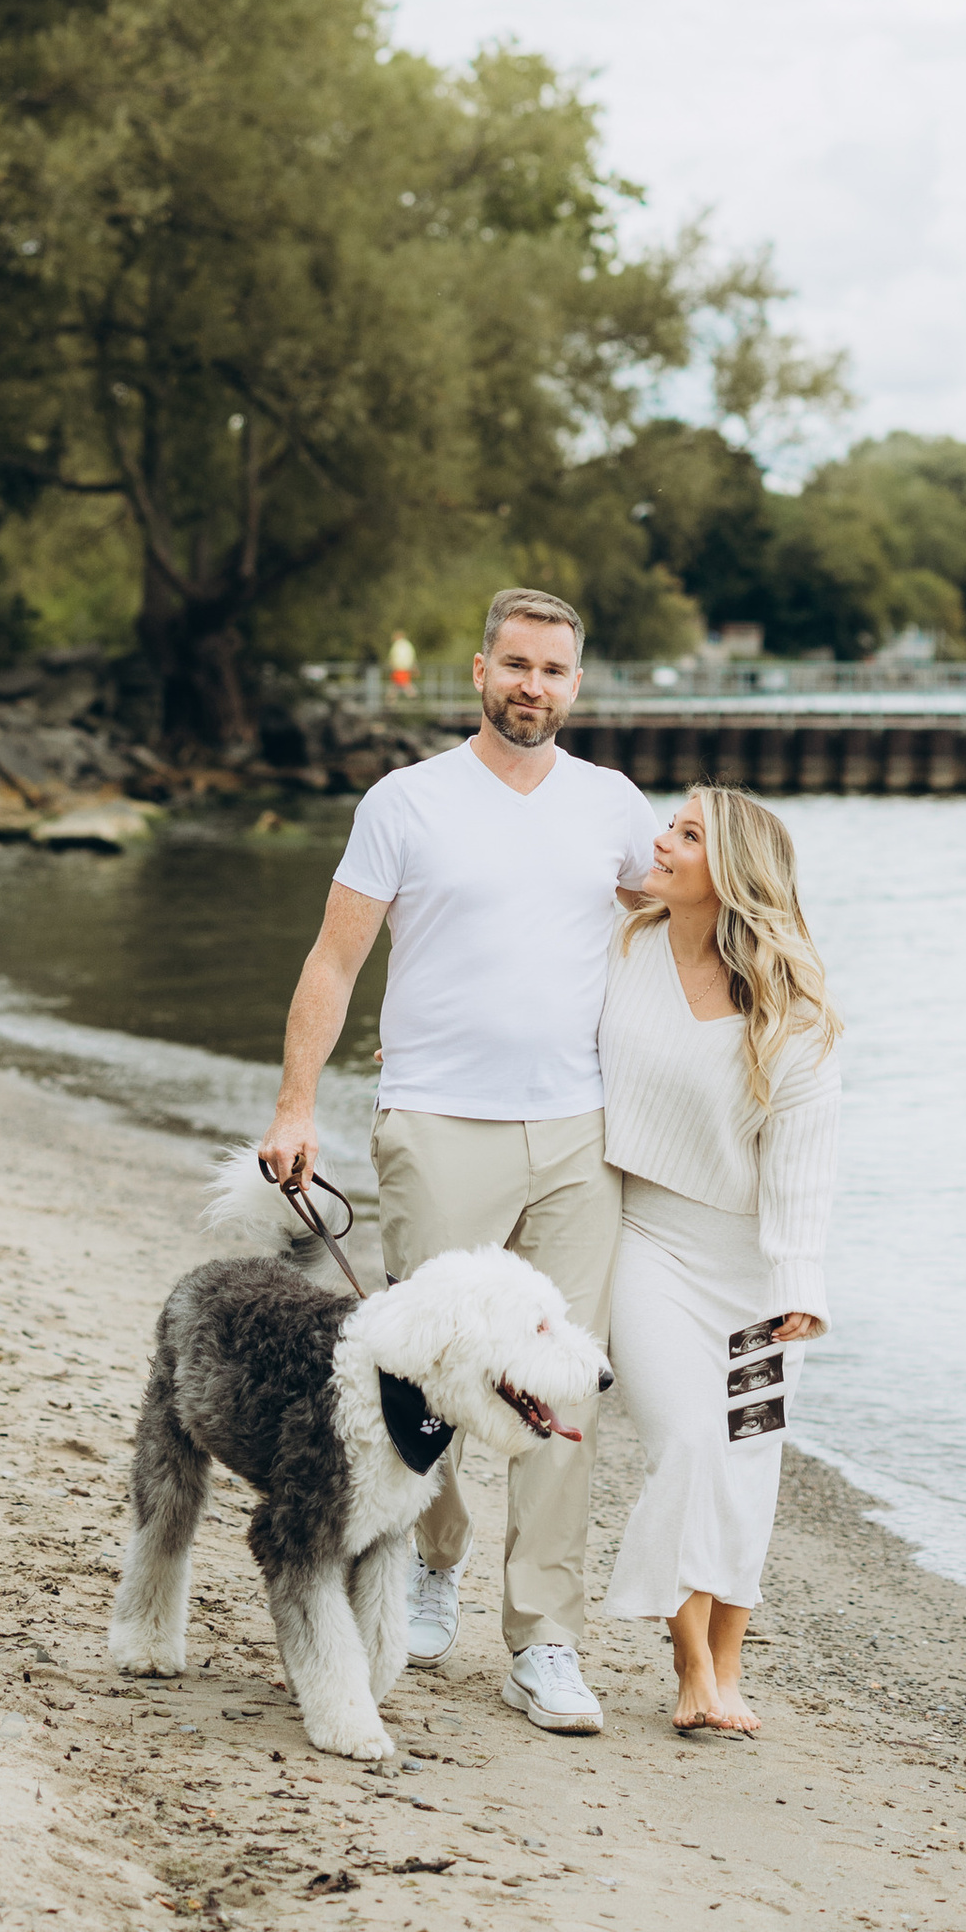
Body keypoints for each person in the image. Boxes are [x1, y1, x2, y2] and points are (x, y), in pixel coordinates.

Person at [258, 588, 654, 1737]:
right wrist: (295, 1106)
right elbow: (334, 961)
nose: (534, 686)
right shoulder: (406, 801)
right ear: (480, 671)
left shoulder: (612, 805)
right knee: (425, 1372)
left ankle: (543, 1640)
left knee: (562, 1381)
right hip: (436, 1124)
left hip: (581, 1132)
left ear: (576, 684)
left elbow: (674, 930)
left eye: (555, 670)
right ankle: (431, 1563)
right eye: (516, 664)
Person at [598, 780, 842, 1736]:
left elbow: (804, 1168)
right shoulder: (622, 947)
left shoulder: (794, 1010)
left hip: (754, 1274)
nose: (661, 841)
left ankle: (728, 1667)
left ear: (732, 870)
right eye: (670, 824)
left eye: (688, 834)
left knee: (748, 1458)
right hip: (647, 1241)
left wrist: (798, 1285)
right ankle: (690, 1664)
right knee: (690, 1444)